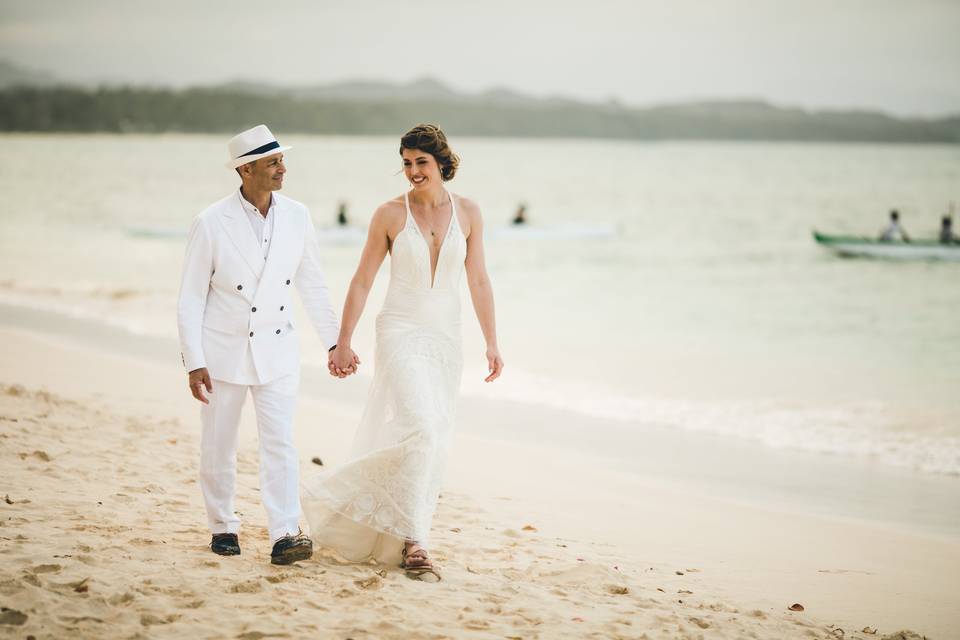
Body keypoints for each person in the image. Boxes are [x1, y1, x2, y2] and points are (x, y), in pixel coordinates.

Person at [302, 123, 503, 582]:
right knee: (422, 426)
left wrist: (492, 342)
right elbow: (362, 280)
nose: (413, 172)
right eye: (407, 163)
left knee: (433, 436)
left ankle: (348, 496)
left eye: (422, 163)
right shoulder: (390, 215)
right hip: (400, 330)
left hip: (446, 337)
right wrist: (343, 340)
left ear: (441, 163)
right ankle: (416, 541)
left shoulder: (469, 213)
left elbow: (478, 280)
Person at [176, 124, 359, 565]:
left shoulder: (297, 215)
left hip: (278, 349)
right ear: (246, 170)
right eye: (273, 162)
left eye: (281, 160)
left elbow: (313, 285)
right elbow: (191, 296)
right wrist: (194, 361)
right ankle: (223, 525)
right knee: (219, 443)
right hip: (223, 352)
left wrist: (336, 343)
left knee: (280, 442)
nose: (283, 169)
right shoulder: (210, 221)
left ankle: (284, 532)